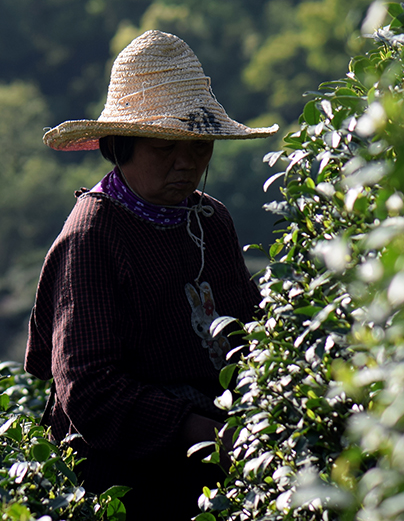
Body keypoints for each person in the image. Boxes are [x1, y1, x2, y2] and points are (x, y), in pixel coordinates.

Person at [25, 30, 278, 519]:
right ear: (122, 146)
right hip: (123, 481)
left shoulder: (210, 220)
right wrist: (200, 431)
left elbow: (247, 335)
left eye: (199, 146)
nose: (186, 163)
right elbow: (90, 389)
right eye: (166, 147)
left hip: (214, 467)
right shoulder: (94, 235)